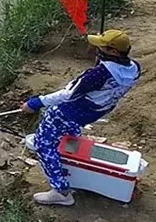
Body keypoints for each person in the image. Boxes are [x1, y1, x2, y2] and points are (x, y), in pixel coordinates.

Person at [20, 28, 141, 206]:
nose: (98, 49)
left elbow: (67, 95)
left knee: (43, 143)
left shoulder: (99, 75)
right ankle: (72, 167)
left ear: (114, 52)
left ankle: (61, 192)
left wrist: (35, 103)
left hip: (73, 111)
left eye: (102, 47)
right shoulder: (134, 68)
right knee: (67, 136)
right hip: (96, 111)